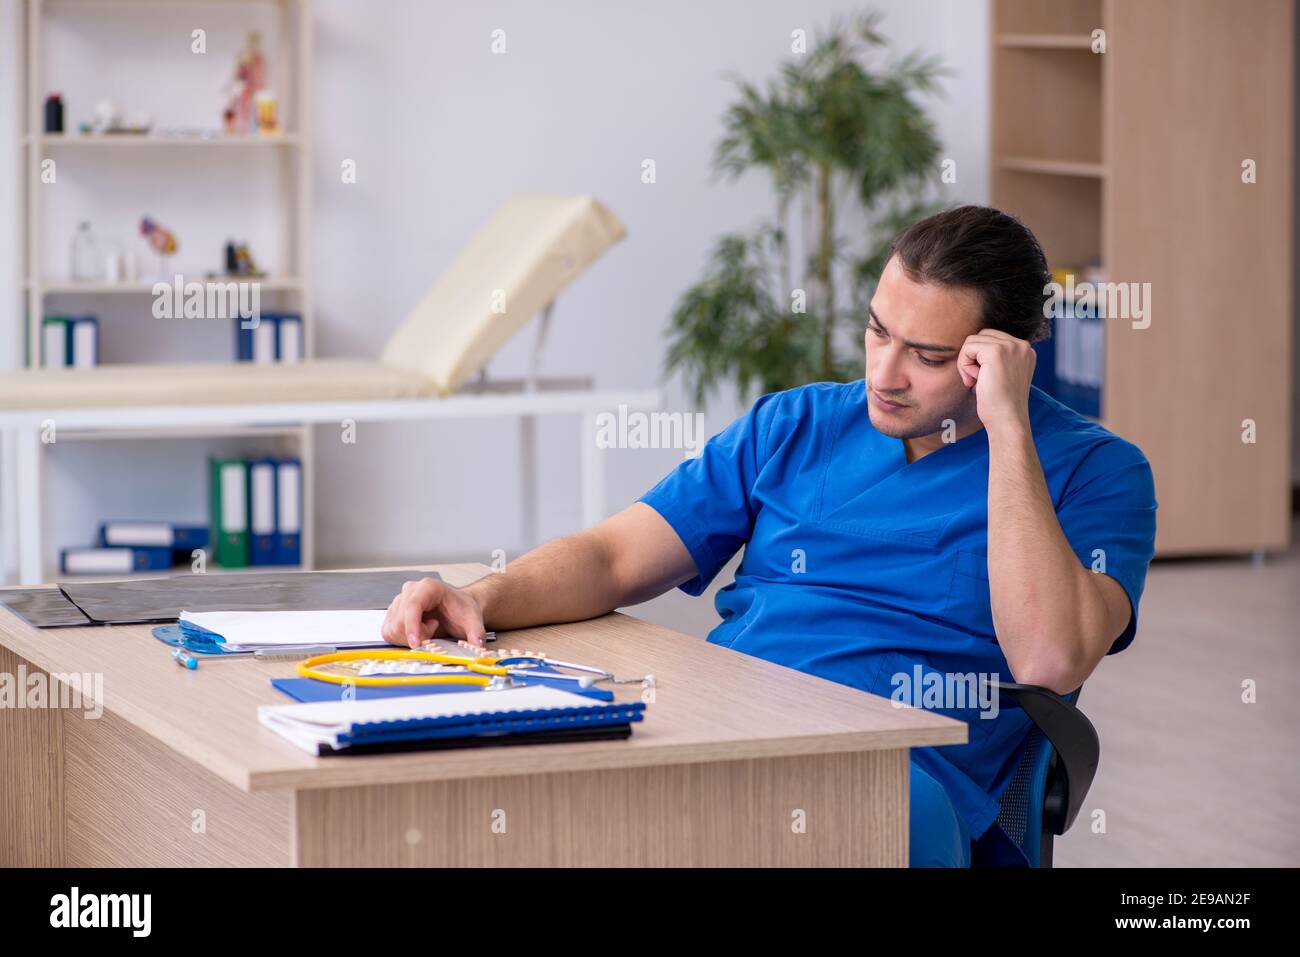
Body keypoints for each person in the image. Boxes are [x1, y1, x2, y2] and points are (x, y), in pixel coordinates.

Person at [381, 205, 1158, 867]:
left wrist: (1008, 427)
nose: (884, 374)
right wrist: (478, 594)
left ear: (1006, 355)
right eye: (877, 331)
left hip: (893, 769)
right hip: (724, 726)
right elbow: (615, 557)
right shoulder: (798, 423)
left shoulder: (1096, 471)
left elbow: (1049, 656)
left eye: (926, 356)